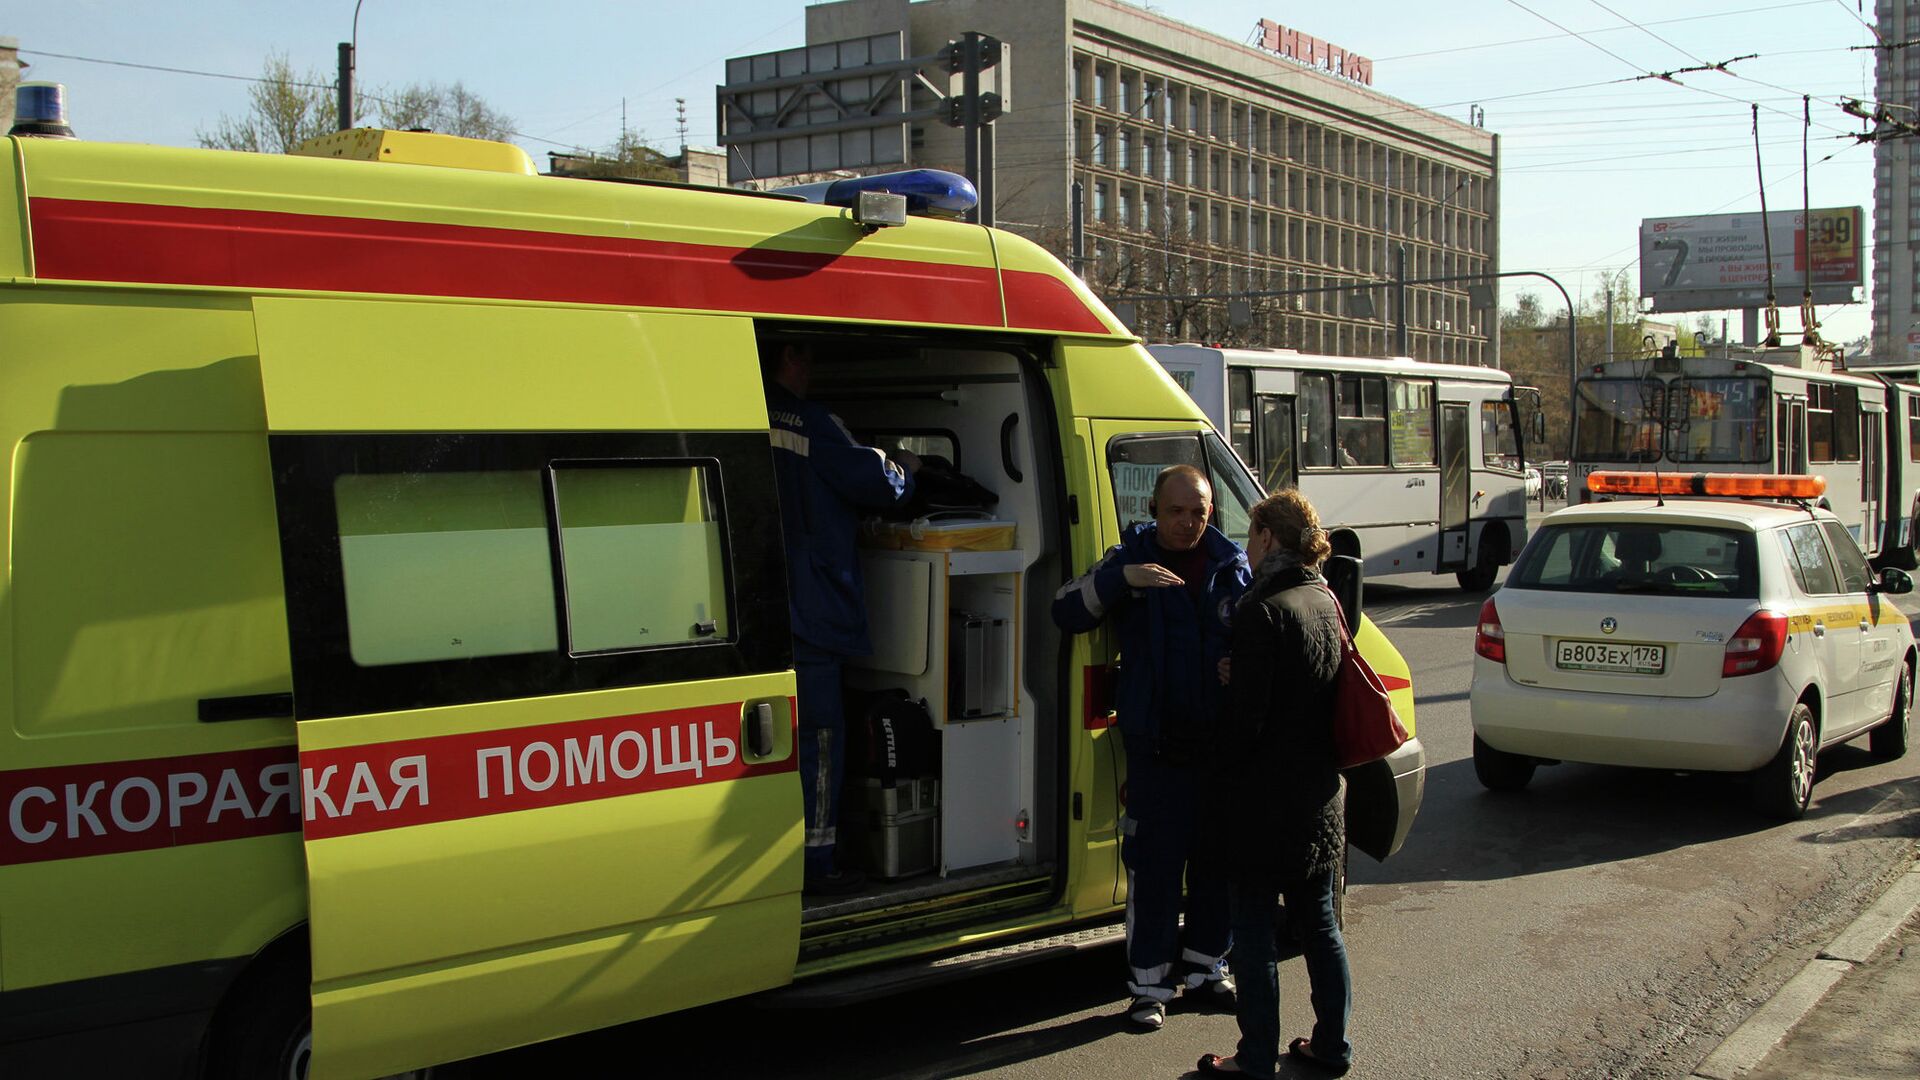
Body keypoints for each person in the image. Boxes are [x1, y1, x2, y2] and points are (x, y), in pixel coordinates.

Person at [1051, 464, 1250, 1031]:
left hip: (1217, 751)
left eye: (1199, 512)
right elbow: (1064, 610)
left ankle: (1208, 968)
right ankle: (1149, 989)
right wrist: (1124, 580)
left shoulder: (1230, 567)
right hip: (1157, 753)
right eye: (1177, 511)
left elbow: (1261, 636)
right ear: (1155, 511)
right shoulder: (1129, 560)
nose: (1188, 523)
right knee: (1155, 871)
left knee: (1217, 866)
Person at [1197, 488, 1353, 1078]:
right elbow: (1314, 683)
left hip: (1264, 804)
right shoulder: (1323, 596)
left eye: (1250, 535)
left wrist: (1234, 682)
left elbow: (1247, 722)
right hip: (1319, 794)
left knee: (1255, 932)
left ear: (1266, 537)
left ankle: (1256, 1055)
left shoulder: (1263, 609)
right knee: (1320, 925)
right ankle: (1331, 1046)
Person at [763, 340, 919, 896]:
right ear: (793, 357)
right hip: (813, 613)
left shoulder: (741, 410)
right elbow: (880, 483)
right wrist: (910, 467)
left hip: (760, 610)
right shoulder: (811, 423)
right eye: (809, 358)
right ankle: (818, 863)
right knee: (820, 741)